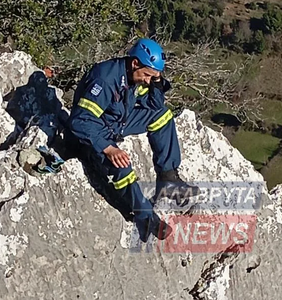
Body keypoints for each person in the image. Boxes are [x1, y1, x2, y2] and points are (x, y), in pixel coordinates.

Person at [67, 38, 201, 242]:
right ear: (135, 63)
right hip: (94, 132)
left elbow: (155, 106)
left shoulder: (137, 76)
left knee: (163, 117)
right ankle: (145, 217)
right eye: (147, 75)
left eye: (151, 77)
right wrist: (108, 149)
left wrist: (156, 80)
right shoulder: (105, 79)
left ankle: (168, 178)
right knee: (122, 166)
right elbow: (80, 121)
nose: (147, 80)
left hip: (117, 123)